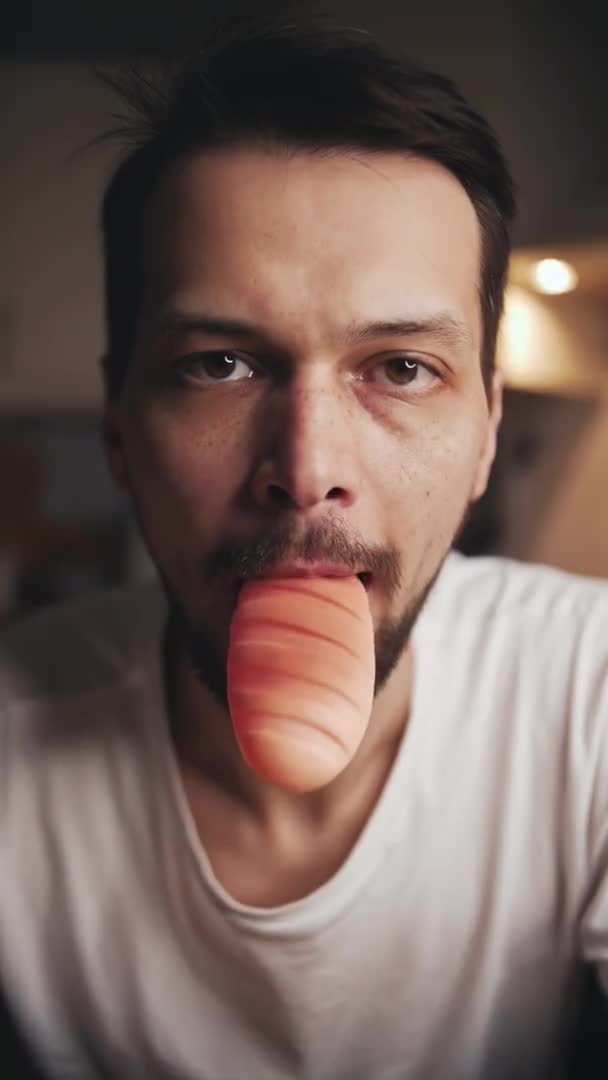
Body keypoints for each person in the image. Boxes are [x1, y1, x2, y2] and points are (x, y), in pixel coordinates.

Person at [1, 12, 607, 1080]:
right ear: (118, 432)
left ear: (486, 437)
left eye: (400, 368)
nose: (306, 465)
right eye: (219, 364)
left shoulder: (588, 696)